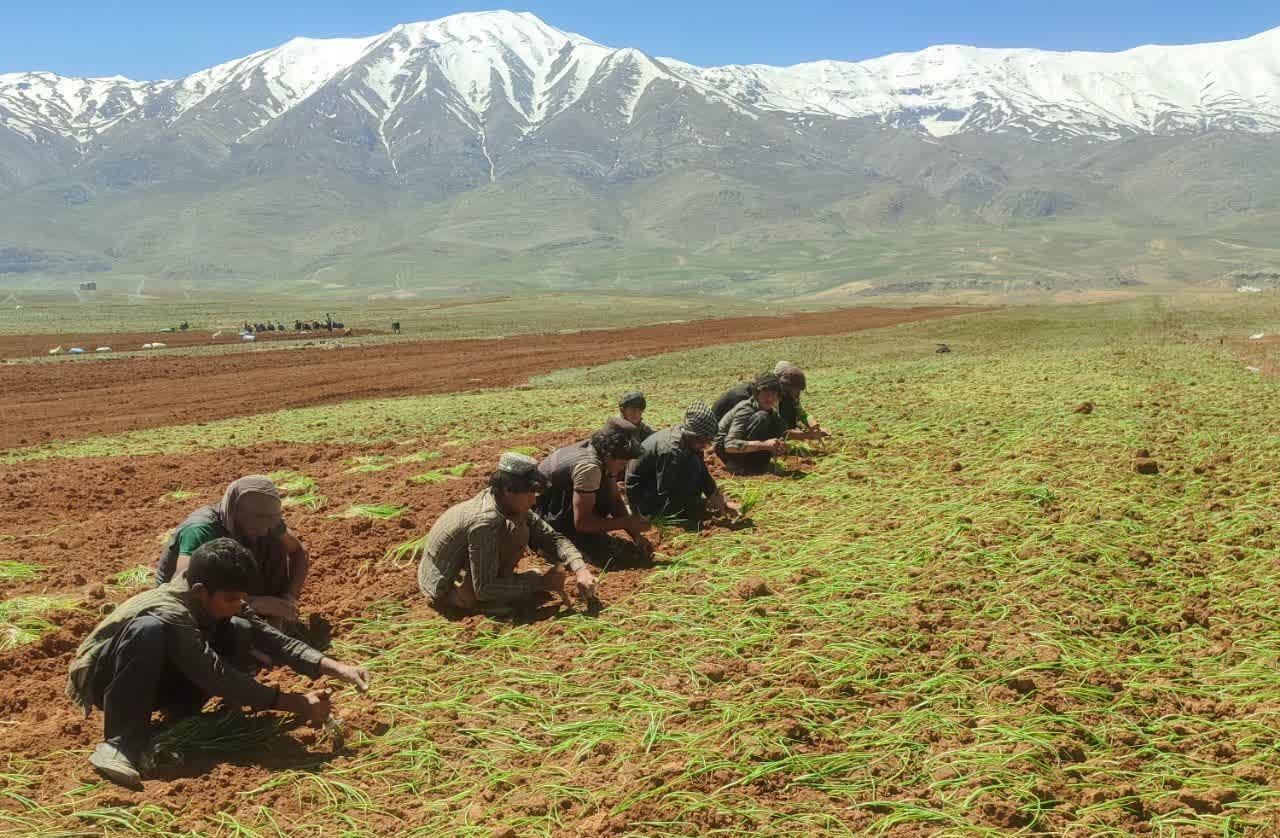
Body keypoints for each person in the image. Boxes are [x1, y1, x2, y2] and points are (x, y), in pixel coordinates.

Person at [67, 538, 370, 790]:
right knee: (149, 629)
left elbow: (275, 641)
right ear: (200, 591)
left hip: (160, 671)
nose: (239, 604)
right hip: (107, 678)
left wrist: (335, 667)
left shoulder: (219, 600)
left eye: (243, 598)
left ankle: (181, 716)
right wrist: (297, 703)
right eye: (231, 598)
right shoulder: (170, 610)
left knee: (239, 626)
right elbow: (213, 674)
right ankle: (121, 744)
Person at [418, 453, 596, 613]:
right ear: (508, 489)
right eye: (529, 493)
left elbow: (552, 538)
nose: (534, 500)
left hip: (459, 568)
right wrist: (540, 583)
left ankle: (506, 583)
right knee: (515, 533)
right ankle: (470, 600)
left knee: (517, 527)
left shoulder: (507, 503)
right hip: (444, 587)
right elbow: (484, 588)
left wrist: (580, 569)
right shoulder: (484, 522)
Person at [156, 476, 309, 624]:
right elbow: (184, 587)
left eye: (269, 523)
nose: (263, 530)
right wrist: (254, 603)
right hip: (197, 604)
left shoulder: (269, 522)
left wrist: (290, 597)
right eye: (255, 525)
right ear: (236, 515)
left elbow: (298, 552)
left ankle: (271, 613)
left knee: (275, 543)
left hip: (232, 597)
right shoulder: (200, 530)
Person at [536, 423, 652, 559]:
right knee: (617, 557)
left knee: (604, 494)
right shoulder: (589, 468)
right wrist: (626, 522)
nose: (624, 467)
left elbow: (614, 498)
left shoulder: (599, 452)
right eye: (623, 463)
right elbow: (582, 523)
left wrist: (635, 535)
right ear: (609, 454)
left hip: (556, 505)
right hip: (544, 518)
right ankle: (555, 545)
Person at [626, 402, 741, 520]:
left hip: (658, 481)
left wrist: (718, 498)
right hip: (643, 494)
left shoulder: (688, 440)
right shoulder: (671, 451)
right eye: (704, 440)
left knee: (694, 465)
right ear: (693, 435)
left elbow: (703, 473)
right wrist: (704, 504)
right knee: (683, 501)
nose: (706, 445)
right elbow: (667, 494)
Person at [715, 373, 788, 473]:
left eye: (773, 394)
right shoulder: (746, 409)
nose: (770, 398)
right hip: (725, 449)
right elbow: (729, 445)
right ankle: (736, 464)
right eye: (766, 393)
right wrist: (765, 445)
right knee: (761, 417)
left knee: (779, 423)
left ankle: (758, 464)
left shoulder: (772, 411)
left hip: (743, 445)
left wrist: (778, 446)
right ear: (757, 393)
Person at [774, 361, 830, 441]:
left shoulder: (792, 397)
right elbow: (780, 430)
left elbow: (801, 413)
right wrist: (808, 435)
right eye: (794, 390)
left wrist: (812, 423)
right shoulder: (773, 398)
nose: (797, 393)